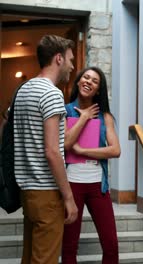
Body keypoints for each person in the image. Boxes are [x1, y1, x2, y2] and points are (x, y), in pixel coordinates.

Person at [13, 35, 78, 263]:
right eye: (70, 59)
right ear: (58, 58)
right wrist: (68, 197)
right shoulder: (52, 93)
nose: (72, 66)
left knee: (30, 258)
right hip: (47, 192)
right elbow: (52, 151)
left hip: (28, 192)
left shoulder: (23, 90)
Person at [61, 66, 121, 264]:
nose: (89, 82)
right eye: (85, 78)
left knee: (111, 244)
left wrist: (83, 151)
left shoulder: (105, 117)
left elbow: (115, 150)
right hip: (71, 184)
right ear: (78, 82)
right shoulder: (64, 110)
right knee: (69, 246)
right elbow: (66, 144)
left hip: (98, 185)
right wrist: (84, 117)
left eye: (95, 81)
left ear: (98, 90)